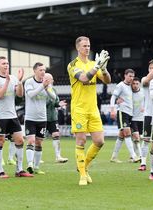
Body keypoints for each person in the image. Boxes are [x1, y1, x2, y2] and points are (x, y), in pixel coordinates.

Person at [67, 36, 111, 186]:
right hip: (79, 109)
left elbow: (107, 81)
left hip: (93, 109)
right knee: (81, 141)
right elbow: (85, 78)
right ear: (78, 48)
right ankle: (83, 176)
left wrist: (103, 69)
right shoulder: (72, 65)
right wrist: (97, 67)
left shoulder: (94, 64)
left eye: (89, 46)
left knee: (99, 141)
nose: (87, 48)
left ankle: (83, 168)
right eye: (84, 46)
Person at [0, 56, 32, 178]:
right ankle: (0, 171)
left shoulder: (13, 78)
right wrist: (7, 81)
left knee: (20, 140)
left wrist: (19, 81)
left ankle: (19, 170)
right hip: (0, 115)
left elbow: (19, 95)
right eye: (3, 63)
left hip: (12, 115)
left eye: (7, 63)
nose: (6, 65)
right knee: (0, 141)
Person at [23, 62, 56, 175]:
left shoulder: (46, 83)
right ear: (35, 71)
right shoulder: (29, 82)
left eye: (44, 70)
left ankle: (36, 167)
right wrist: (42, 86)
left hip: (42, 118)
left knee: (39, 143)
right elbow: (31, 94)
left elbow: (54, 98)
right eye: (41, 70)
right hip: (30, 118)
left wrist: (46, 88)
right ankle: (30, 164)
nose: (43, 72)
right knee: (31, 140)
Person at [109, 69, 140, 163]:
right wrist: (112, 109)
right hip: (122, 112)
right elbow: (113, 96)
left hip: (130, 113)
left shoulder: (131, 86)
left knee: (121, 135)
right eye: (130, 76)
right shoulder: (120, 85)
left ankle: (114, 157)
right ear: (125, 75)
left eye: (132, 76)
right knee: (127, 133)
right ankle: (134, 156)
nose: (131, 78)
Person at [44, 73, 69, 163]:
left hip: (52, 117)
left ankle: (58, 156)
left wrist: (59, 104)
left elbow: (56, 102)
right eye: (51, 79)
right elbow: (42, 103)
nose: (53, 81)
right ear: (46, 80)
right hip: (42, 117)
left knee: (56, 135)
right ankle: (36, 158)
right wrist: (51, 99)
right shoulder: (40, 90)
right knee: (39, 139)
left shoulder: (53, 89)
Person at [130, 77, 144, 160]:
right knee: (136, 137)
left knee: (138, 138)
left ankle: (133, 155)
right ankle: (141, 155)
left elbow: (148, 101)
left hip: (142, 118)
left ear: (139, 84)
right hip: (133, 118)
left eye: (137, 84)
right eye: (133, 84)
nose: (135, 85)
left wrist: (145, 107)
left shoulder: (143, 92)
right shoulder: (129, 93)